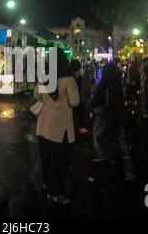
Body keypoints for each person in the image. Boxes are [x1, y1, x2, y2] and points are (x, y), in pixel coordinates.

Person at [34, 48, 80, 205]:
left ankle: (46, 184)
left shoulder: (45, 77)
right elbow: (75, 102)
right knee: (60, 161)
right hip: (61, 127)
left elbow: (36, 96)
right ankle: (55, 193)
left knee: (46, 157)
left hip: (43, 123)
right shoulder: (69, 79)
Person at [91, 63, 125, 165]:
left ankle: (104, 156)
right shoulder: (118, 81)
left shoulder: (105, 81)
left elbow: (97, 97)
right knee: (114, 135)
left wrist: (93, 105)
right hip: (117, 113)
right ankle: (114, 156)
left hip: (105, 113)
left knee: (99, 135)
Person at [70, 59, 90, 135]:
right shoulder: (71, 79)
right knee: (76, 119)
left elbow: (88, 91)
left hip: (80, 102)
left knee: (80, 119)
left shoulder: (82, 78)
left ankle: (82, 133)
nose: (78, 72)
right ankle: (77, 134)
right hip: (75, 103)